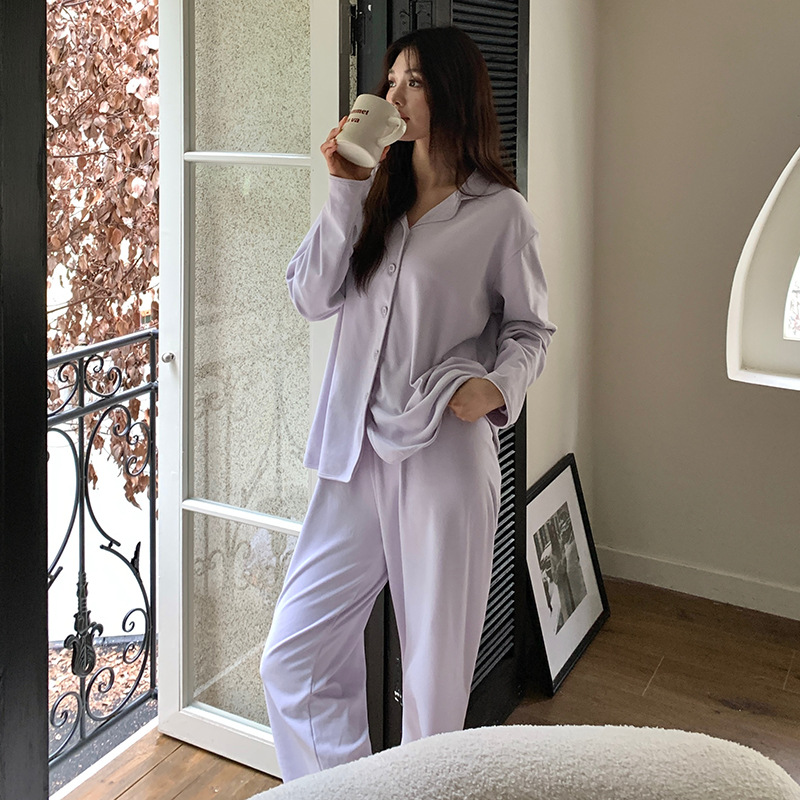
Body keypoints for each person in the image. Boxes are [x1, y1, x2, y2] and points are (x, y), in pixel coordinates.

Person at [259, 25, 556, 782]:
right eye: (389, 80)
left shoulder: (501, 214)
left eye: (412, 81)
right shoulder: (372, 196)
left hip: (443, 453)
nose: (392, 94)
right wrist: (343, 186)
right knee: (293, 658)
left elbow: (531, 330)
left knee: (433, 682)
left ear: (453, 93)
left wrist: (497, 386)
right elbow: (310, 297)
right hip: (353, 452)